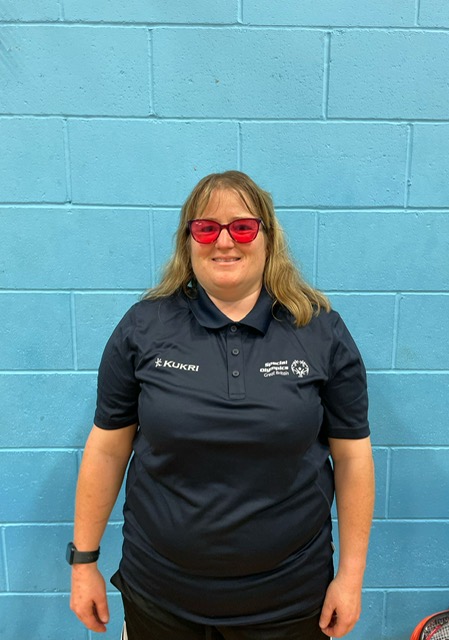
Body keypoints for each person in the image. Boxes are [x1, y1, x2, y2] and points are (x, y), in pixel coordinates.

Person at [69, 170, 374, 639]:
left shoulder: (320, 330)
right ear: (188, 241)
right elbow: (108, 449)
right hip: (161, 596)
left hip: (290, 600)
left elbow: (352, 458)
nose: (225, 241)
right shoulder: (143, 327)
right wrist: (84, 562)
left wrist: (351, 577)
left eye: (243, 227)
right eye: (207, 228)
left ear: (268, 238)